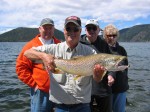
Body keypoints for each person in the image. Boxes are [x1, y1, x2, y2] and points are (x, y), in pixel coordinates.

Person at [24, 16, 105, 112]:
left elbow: (97, 79)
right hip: (60, 107)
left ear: (80, 31)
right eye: (68, 29)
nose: (72, 32)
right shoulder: (53, 49)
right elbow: (27, 53)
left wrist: (98, 75)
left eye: (75, 29)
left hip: (83, 106)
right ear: (64, 31)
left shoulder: (91, 52)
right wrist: (44, 56)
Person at [16, 18, 61, 112]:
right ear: (39, 29)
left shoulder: (59, 44)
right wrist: (35, 85)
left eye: (50, 28)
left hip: (59, 90)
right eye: (45, 28)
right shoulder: (31, 46)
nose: (48, 31)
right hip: (41, 92)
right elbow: (20, 67)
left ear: (54, 29)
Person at [80, 19, 115, 112]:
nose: (91, 30)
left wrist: (111, 75)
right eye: (89, 28)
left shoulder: (104, 44)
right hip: (85, 89)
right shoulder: (78, 43)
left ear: (98, 30)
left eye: (94, 28)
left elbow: (112, 62)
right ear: (85, 30)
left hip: (102, 89)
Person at [103, 24, 129, 112]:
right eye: (109, 35)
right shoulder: (101, 49)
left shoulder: (122, 50)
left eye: (114, 35)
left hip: (120, 88)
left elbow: (124, 66)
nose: (112, 38)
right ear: (105, 36)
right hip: (106, 89)